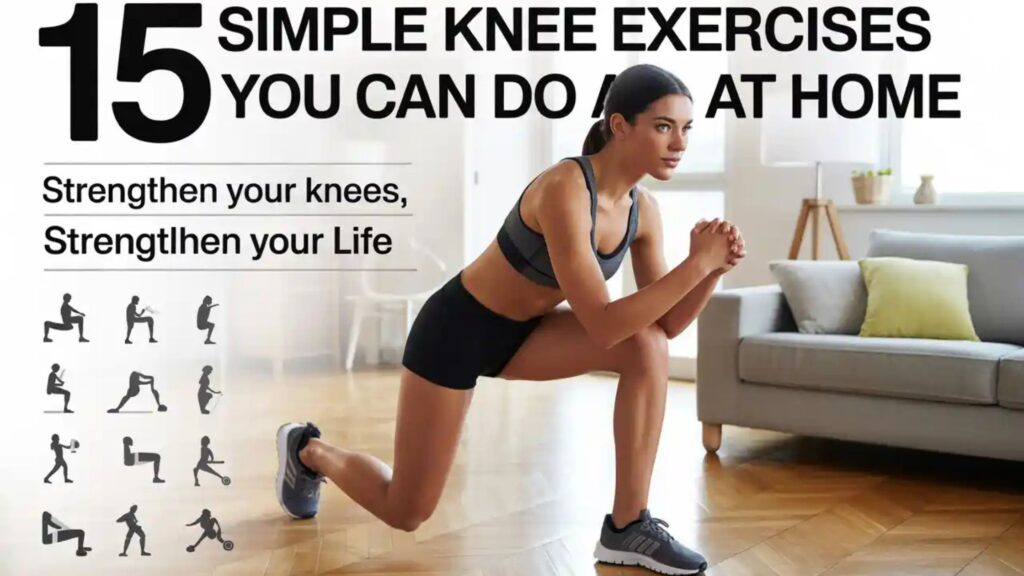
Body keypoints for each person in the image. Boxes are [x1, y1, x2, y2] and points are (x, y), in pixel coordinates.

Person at [274, 64, 745, 575]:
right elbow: (604, 324)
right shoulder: (566, 187)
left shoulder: (642, 210)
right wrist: (696, 264)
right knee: (406, 509)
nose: (679, 143)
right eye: (663, 126)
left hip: (526, 334)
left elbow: (667, 325)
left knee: (647, 345)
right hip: (456, 331)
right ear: (620, 126)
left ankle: (627, 526)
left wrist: (711, 271)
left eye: (686, 129)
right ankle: (309, 451)